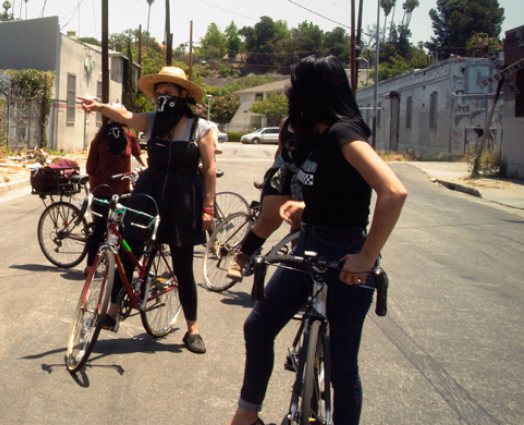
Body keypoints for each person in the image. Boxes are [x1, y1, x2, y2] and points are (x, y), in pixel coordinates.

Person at [227, 55, 406, 425]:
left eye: (295, 85)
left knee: (342, 367)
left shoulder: (344, 133)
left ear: (312, 90)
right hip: (309, 244)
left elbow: (393, 192)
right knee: (257, 326)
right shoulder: (316, 134)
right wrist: (303, 208)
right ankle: (247, 414)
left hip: (345, 255)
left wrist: (366, 256)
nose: (291, 92)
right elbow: (336, 189)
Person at [78, 66, 217, 354]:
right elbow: (126, 116)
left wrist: (208, 207)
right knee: (129, 250)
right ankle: (113, 311)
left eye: (169, 92)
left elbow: (211, 171)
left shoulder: (201, 128)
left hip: (184, 197)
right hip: (149, 191)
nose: (163, 97)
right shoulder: (153, 122)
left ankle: (192, 329)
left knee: (182, 264)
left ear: (182, 94)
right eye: (159, 93)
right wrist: (101, 106)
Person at [227, 116, 297, 281]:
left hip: (309, 174)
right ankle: (241, 258)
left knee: (300, 229)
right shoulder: (286, 121)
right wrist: (270, 175)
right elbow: (281, 149)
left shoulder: (322, 121)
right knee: (270, 219)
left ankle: (296, 272)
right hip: (283, 171)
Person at [83, 106, 146, 255]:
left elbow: (138, 153)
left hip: (123, 190)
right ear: (106, 120)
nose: (115, 121)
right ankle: (91, 264)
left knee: (125, 229)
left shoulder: (129, 136)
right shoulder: (98, 140)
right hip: (102, 189)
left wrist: (148, 169)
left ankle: (123, 265)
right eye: (112, 117)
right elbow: (90, 168)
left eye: (118, 117)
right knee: (100, 228)